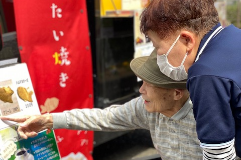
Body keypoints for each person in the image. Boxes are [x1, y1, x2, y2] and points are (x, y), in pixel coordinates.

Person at [1, 50, 203, 160]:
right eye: (141, 82)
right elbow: (103, 117)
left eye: (149, 85)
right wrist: (48, 120)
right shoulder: (148, 108)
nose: (141, 90)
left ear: (177, 92)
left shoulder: (205, 115)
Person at [139, 0, 241, 159]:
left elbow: (218, 156)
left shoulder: (205, 75)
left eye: (158, 47)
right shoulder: (233, 35)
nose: (158, 56)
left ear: (187, 40)